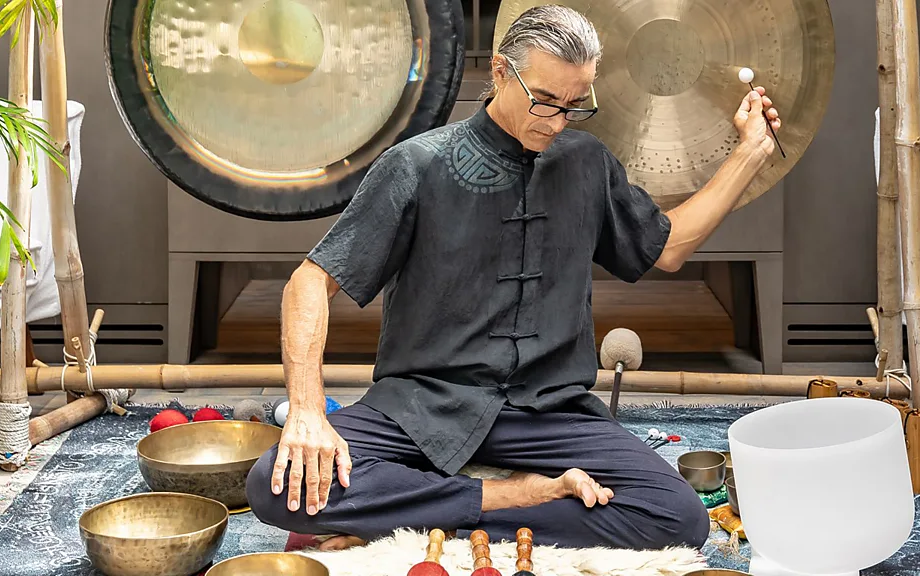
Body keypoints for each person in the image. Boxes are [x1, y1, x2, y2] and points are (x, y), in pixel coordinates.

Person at [246, 4, 781, 552]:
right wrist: (308, 412)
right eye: (544, 99)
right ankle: (507, 499)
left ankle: (428, 515)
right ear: (501, 71)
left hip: (551, 411)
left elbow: (664, 249)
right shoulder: (417, 164)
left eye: (575, 105)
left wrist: (749, 153)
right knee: (274, 484)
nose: (555, 120)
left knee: (677, 519)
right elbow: (308, 282)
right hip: (422, 405)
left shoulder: (586, 161)